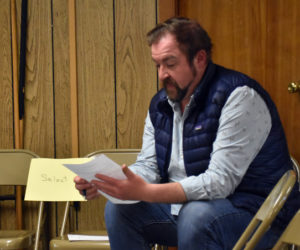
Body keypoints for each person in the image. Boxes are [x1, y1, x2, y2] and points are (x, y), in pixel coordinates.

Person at [74, 17, 300, 249]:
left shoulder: (240, 97)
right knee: (120, 209)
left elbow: (219, 183)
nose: (162, 74)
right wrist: (107, 182)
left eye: (170, 64)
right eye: (157, 65)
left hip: (257, 216)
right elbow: (149, 166)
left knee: (196, 215)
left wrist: (148, 192)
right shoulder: (161, 104)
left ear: (200, 59)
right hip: (189, 212)